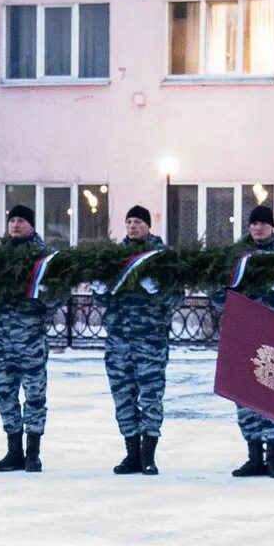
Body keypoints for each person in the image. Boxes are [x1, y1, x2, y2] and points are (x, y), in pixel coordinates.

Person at [219, 205, 274, 478]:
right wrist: (224, 291)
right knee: (245, 397)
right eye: (254, 223)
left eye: (263, 224)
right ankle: (254, 456)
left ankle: (273, 458)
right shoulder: (235, 257)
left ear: (272, 226)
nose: (258, 228)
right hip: (243, 337)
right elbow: (217, 299)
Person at [0, 205, 54, 473]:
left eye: (21, 220)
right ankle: (14, 452)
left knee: (34, 396)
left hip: (31, 340)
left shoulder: (44, 258)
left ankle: (33, 453)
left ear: (31, 225)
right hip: (0, 341)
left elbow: (56, 298)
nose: (16, 225)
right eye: (12, 220)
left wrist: (40, 293)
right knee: (5, 396)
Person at [99, 204, 173, 475]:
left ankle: (148, 455)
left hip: (150, 340)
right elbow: (105, 299)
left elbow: (176, 297)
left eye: (138, 222)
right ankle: (131, 454)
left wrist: (157, 290)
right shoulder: (115, 256)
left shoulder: (161, 256)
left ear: (148, 226)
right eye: (129, 221)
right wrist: (100, 290)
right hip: (118, 340)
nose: (133, 226)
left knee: (151, 398)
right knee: (123, 397)